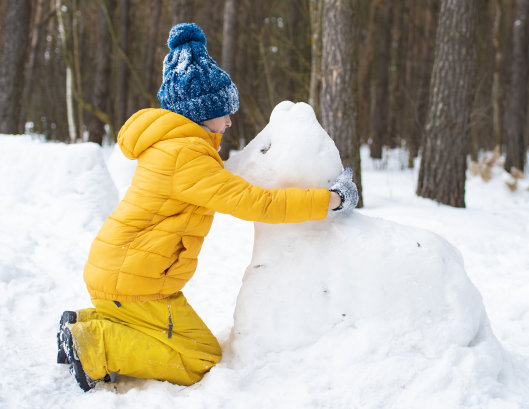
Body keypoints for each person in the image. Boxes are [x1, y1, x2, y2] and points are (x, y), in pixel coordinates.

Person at [56, 23, 358, 392]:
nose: (231, 119)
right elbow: (258, 203)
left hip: (121, 269)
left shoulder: (172, 145)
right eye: (224, 110)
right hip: (135, 280)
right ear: (200, 112)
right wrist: (332, 199)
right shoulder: (188, 156)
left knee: (178, 340)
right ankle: (93, 345)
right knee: (198, 359)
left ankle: (85, 322)